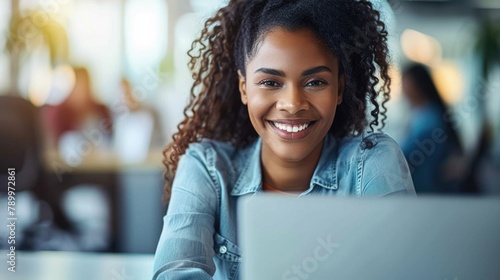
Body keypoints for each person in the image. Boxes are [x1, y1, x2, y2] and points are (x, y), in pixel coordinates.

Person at [153, 0, 415, 279]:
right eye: (270, 82)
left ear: (339, 88)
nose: (292, 104)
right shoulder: (207, 167)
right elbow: (177, 271)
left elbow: (404, 271)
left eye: (315, 82)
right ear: (244, 88)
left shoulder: (373, 163)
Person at [400, 63, 463, 193]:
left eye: (405, 83)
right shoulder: (422, 114)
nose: (402, 89)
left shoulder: (429, 121)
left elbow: (404, 158)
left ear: (417, 86)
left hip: (424, 191)